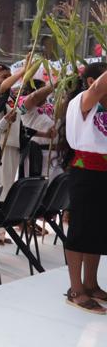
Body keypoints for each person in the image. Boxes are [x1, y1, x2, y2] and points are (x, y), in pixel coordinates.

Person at [61, 61, 107, 313]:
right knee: (80, 229)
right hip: (86, 171)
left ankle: (91, 284)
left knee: (97, 229)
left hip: (103, 172)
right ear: (91, 82)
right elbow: (100, 88)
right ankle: (75, 289)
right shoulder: (83, 100)